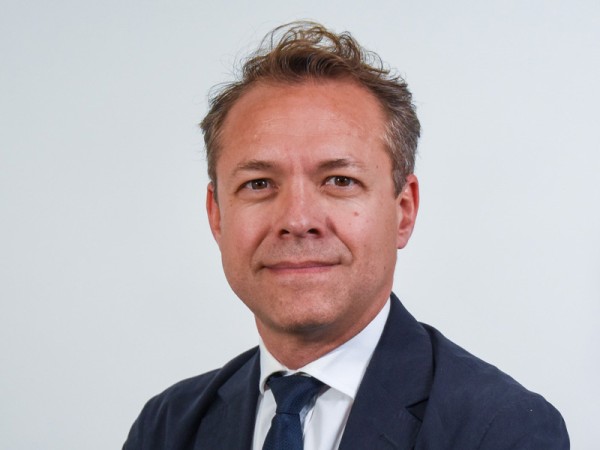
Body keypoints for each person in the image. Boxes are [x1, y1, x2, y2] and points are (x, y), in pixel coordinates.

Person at [123, 21, 569, 449]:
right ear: (217, 215)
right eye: (258, 184)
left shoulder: (502, 429)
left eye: (340, 180)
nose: (297, 219)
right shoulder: (167, 426)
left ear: (404, 211)